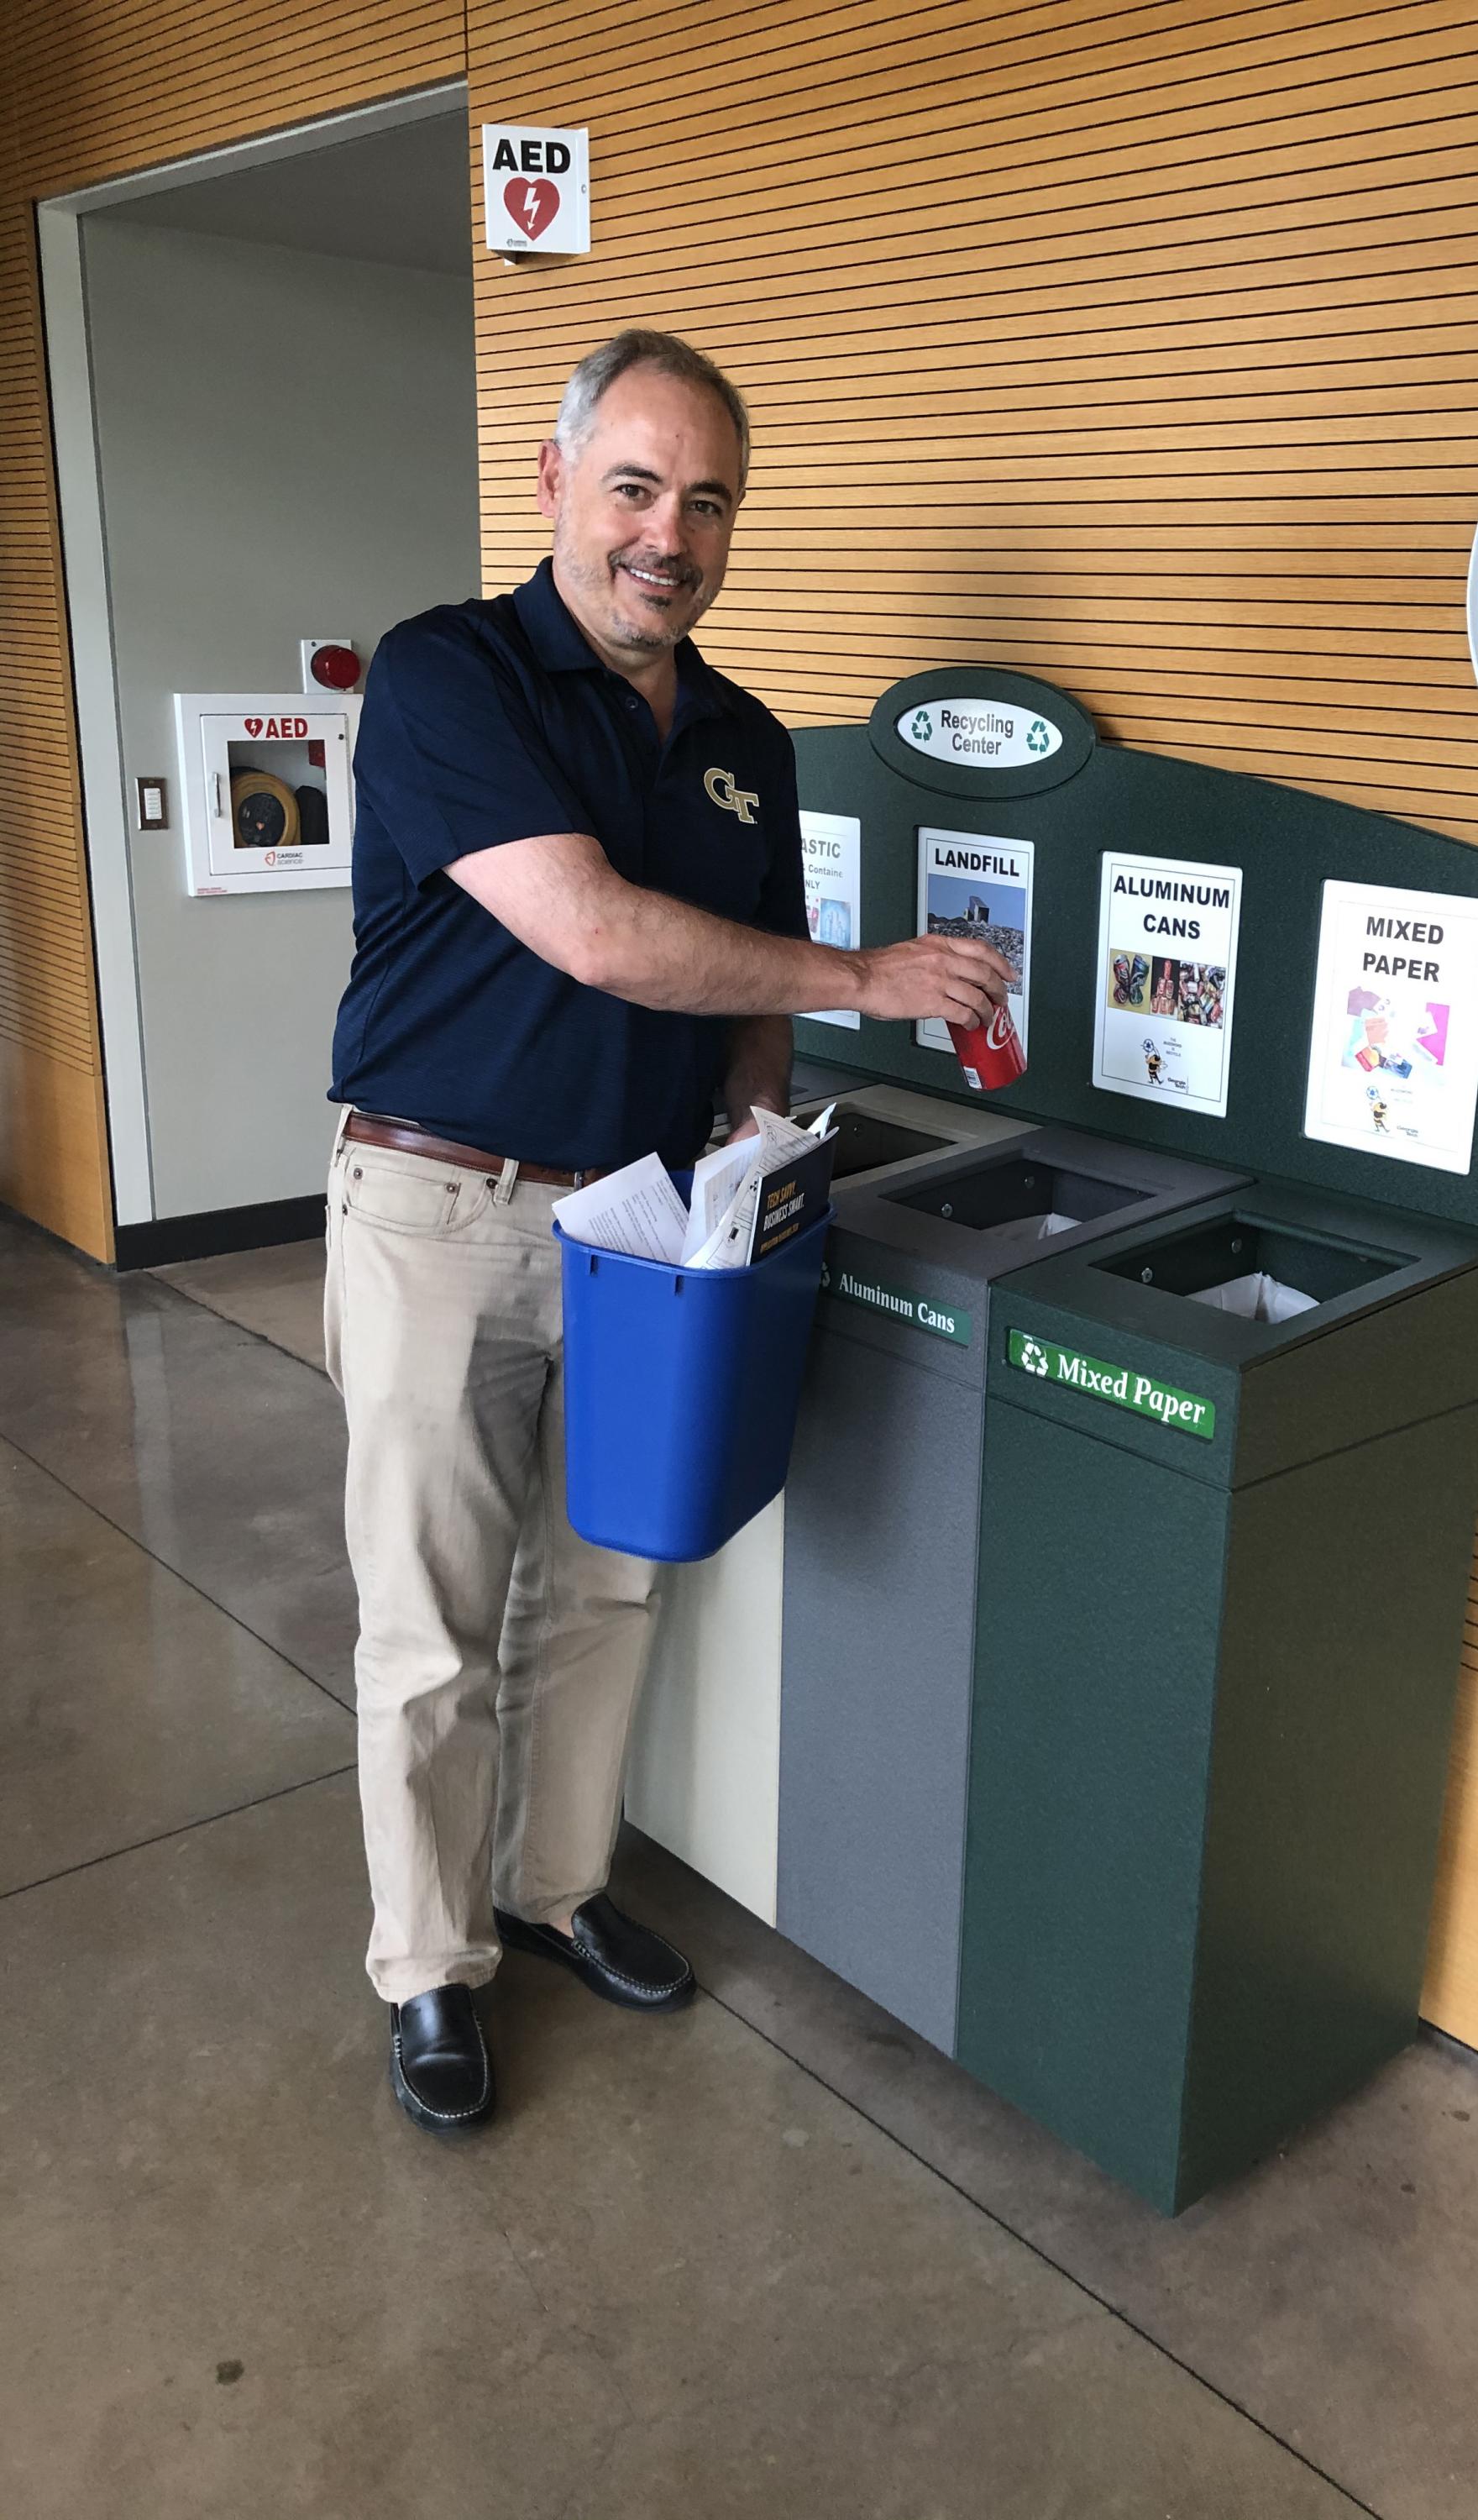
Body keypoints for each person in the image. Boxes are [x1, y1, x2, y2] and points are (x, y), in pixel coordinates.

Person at [325, 329, 1014, 2136]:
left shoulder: (744, 740)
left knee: (611, 1586)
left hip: (648, 1244)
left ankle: (555, 1892)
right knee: (432, 1622)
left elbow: (742, 997)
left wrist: (764, 1142)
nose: (668, 532)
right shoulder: (446, 676)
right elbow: (601, 934)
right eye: (634, 486)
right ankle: (428, 1964)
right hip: (442, 1213)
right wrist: (875, 980)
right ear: (556, 486)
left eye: (707, 501)